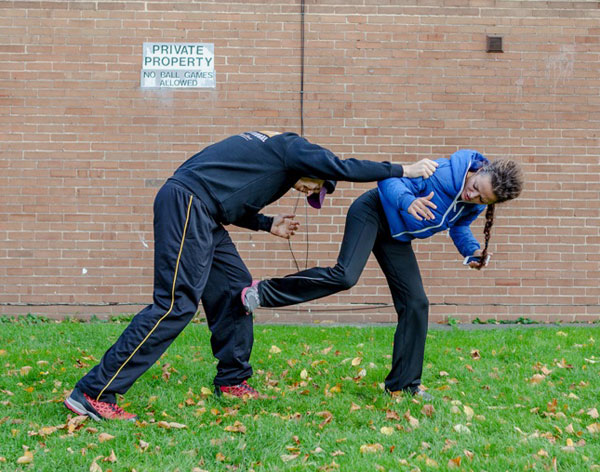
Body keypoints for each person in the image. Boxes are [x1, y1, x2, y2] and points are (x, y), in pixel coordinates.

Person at [64, 130, 438, 421]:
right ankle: (95, 392)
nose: (309, 192)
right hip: (187, 204)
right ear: (317, 169)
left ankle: (232, 380)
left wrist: (267, 223)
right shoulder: (294, 148)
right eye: (315, 187)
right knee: (176, 305)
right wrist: (402, 170)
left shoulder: (274, 161)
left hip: (205, 212)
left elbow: (231, 201)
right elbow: (344, 166)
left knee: (236, 290)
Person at [242, 149, 524, 399]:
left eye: (481, 198)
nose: (472, 196)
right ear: (478, 171)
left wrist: (472, 251)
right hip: (372, 212)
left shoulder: (473, 203)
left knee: (416, 303)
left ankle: (404, 386)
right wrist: (407, 201)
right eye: (475, 187)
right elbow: (388, 180)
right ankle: (261, 292)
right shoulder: (443, 172)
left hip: (395, 235)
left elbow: (459, 227)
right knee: (345, 275)